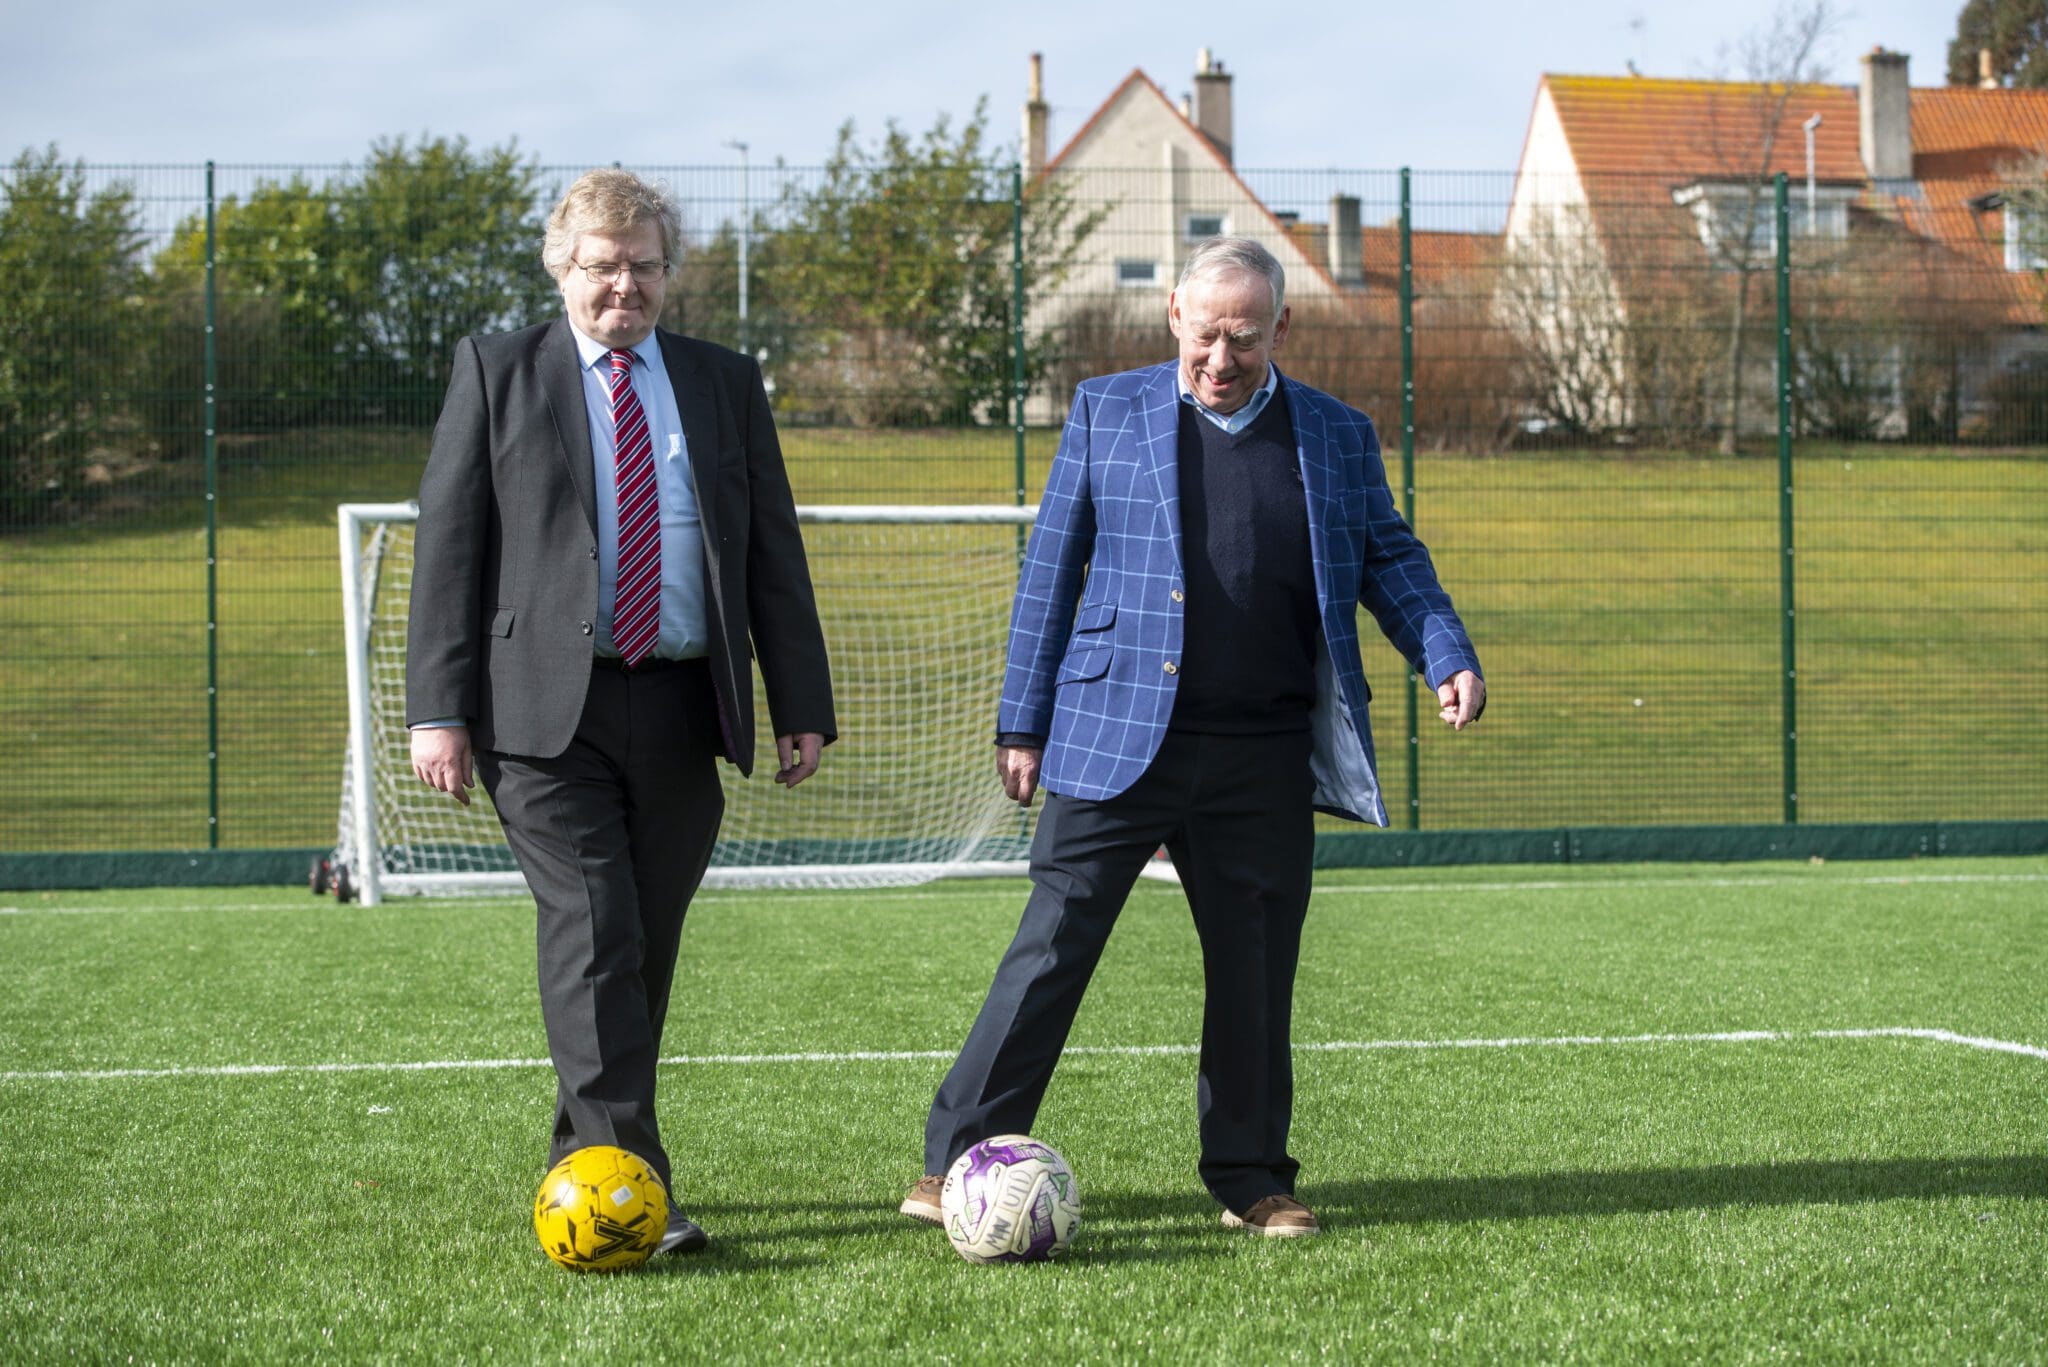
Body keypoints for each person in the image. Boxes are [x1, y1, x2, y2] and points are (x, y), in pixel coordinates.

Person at [902, 237, 1483, 1238]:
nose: (1221, 357)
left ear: (1280, 328)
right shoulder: (1106, 409)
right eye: (1206, 333)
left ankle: (1251, 1177)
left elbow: (1388, 558)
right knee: (1049, 949)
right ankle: (958, 1154)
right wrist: (1021, 719)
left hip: (1262, 750)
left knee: (1254, 971)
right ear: (1173, 312)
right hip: (1113, 733)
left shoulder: (1337, 433)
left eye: (1244, 338)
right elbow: (1051, 569)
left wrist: (1444, 652)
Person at [406, 169, 835, 1256]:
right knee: (596, 927)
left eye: (644, 266)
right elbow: (448, 546)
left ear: (667, 272)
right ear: (562, 267)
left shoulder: (722, 379)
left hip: (687, 701)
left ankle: (581, 1156)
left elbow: (770, 545)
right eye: (603, 266)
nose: (624, 287)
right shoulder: (497, 369)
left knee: (642, 946)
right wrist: (435, 709)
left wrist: (801, 700)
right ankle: (631, 1189)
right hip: (542, 713)